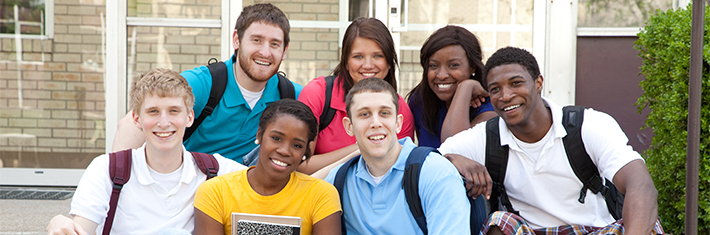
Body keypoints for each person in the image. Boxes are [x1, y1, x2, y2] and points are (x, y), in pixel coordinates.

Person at [439, 47, 664, 234]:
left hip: (597, 230)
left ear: (538, 83)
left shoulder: (588, 124)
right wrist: (451, 159)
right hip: (532, 231)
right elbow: (426, 162)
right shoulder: (487, 137)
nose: (505, 96)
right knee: (498, 223)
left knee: (649, 225)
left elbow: (640, 185)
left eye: (516, 83)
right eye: (495, 89)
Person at [46, 68, 247, 235]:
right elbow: (81, 229)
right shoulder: (106, 170)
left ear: (189, 117)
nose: (164, 122)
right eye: (153, 112)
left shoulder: (214, 170)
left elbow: (267, 185)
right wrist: (59, 222)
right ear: (136, 119)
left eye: (174, 111)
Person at [112, 3, 302, 163]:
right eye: (257, 40)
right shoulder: (204, 84)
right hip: (190, 193)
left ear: (285, 50)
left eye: (274, 44)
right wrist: (116, 189)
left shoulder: (291, 96)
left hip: (247, 200)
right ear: (237, 40)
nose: (265, 52)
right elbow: (129, 126)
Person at [324, 77, 470, 234]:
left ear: (398, 123)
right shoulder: (340, 179)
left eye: (384, 113)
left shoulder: (435, 173)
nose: (376, 123)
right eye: (364, 114)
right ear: (349, 126)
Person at [193, 99, 341, 235]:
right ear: (259, 135)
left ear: (305, 151)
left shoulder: (321, 195)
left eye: (297, 145)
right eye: (276, 138)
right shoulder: (215, 192)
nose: (284, 151)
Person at [297, 17, 415, 175]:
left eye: (377, 56)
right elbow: (300, 164)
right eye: (358, 56)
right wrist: (361, 147)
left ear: (389, 62)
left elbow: (400, 172)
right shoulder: (317, 93)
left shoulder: (400, 109)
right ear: (345, 61)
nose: (367, 65)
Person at [407, 25, 496, 149]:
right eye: (433, 66)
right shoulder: (420, 101)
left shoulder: (491, 107)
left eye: (453, 65)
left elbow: (456, 149)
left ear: (472, 67)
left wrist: (465, 87)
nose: (442, 75)